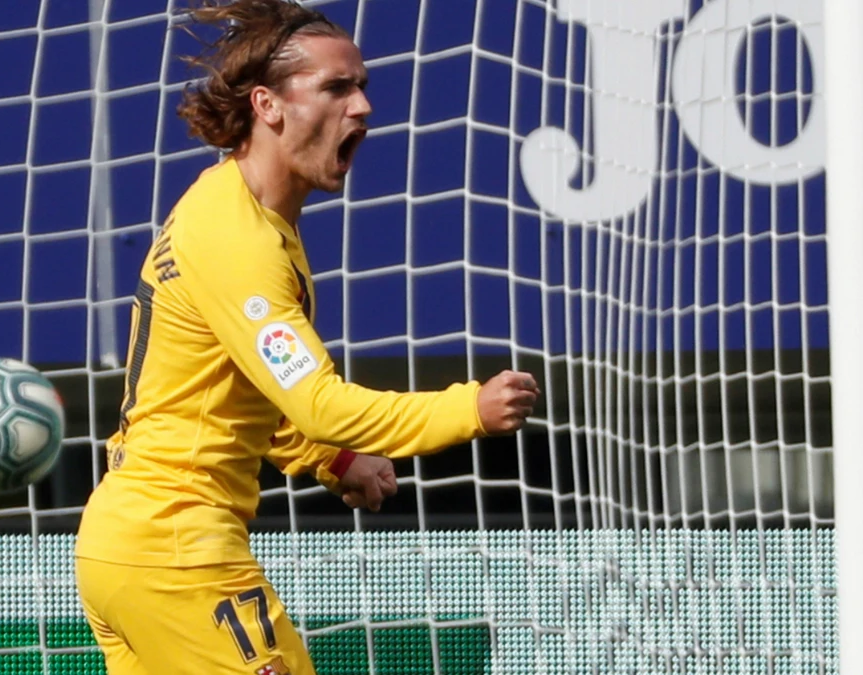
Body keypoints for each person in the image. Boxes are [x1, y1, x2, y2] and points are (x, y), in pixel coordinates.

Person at [73, 1, 541, 673]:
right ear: (268, 105)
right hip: (177, 553)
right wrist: (466, 409)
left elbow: (249, 399)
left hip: (130, 545)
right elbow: (319, 402)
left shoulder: (237, 213)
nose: (362, 108)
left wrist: (338, 461)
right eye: (336, 87)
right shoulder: (237, 239)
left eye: (362, 86)